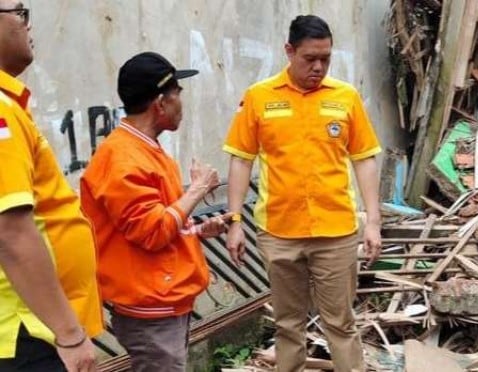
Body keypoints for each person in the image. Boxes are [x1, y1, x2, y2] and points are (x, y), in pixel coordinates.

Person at [223, 15, 382, 372]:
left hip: (336, 231)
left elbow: (364, 160)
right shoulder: (259, 97)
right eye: (310, 58)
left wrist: (373, 221)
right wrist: (234, 221)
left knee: (340, 323)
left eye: (326, 58)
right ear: (289, 51)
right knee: (288, 325)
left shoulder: (346, 97)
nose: (319, 66)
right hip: (279, 232)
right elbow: (240, 161)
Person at [80, 51, 226, 371]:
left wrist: (198, 230)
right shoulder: (122, 159)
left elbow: (157, 223)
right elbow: (152, 232)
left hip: (164, 302)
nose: (181, 103)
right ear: (160, 103)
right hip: (150, 307)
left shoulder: (145, 150)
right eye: (178, 94)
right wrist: (199, 189)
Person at [0, 1, 103, 371]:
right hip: (28, 331)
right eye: (19, 12)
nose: (29, 25)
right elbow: (11, 232)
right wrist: (69, 334)